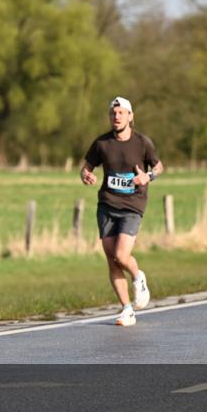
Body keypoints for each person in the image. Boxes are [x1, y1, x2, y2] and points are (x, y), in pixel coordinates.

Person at [80, 96, 163, 326]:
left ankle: (138, 277)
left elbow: (158, 166)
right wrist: (86, 175)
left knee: (121, 255)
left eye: (120, 113)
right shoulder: (101, 143)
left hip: (132, 205)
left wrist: (148, 176)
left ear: (130, 116)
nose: (116, 117)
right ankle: (127, 309)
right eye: (113, 113)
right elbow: (86, 167)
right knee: (112, 260)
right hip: (107, 205)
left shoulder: (142, 142)